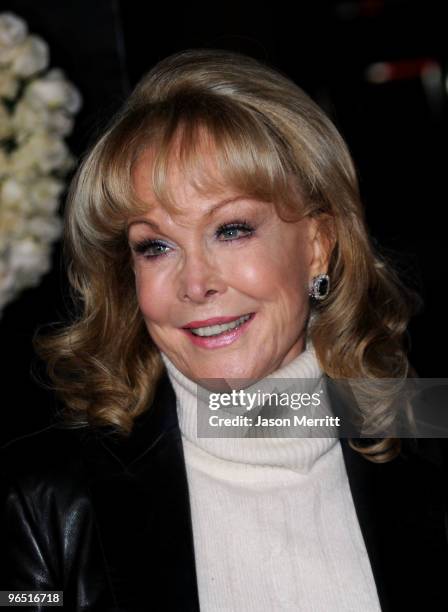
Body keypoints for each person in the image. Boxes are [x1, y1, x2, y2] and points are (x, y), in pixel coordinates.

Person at [1, 48, 447, 612]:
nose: (195, 283)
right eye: (156, 246)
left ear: (317, 246)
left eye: (231, 230)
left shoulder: (426, 435)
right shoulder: (46, 501)